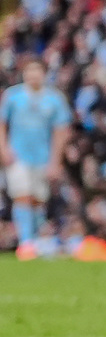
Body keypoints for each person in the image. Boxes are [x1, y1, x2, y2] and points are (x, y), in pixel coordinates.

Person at [4, 60, 73, 257]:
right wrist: (3, 149)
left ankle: (33, 240)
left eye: (37, 71)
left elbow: (61, 131)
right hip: (18, 155)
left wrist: (56, 161)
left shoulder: (54, 99)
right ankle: (25, 242)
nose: (33, 75)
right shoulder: (13, 96)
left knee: (37, 199)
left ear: (44, 74)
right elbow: (2, 123)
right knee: (22, 195)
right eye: (29, 70)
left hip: (43, 157)